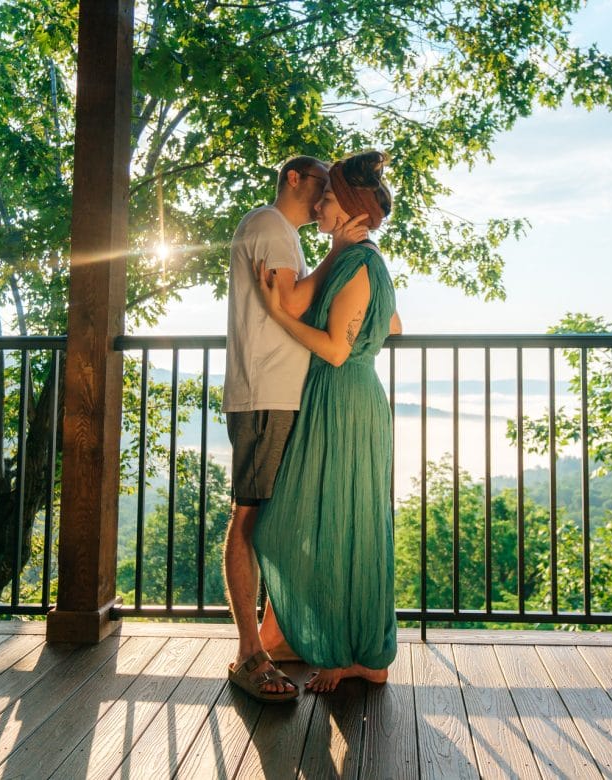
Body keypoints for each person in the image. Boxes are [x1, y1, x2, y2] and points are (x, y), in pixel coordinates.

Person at [254, 150, 402, 693]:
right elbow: (396, 325)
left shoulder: (359, 264)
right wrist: (340, 254)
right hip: (351, 401)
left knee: (330, 521)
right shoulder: (355, 260)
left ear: (353, 211)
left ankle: (342, 654)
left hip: (341, 398)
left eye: (330, 199)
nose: (320, 204)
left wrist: (274, 316)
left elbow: (337, 351)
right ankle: (365, 652)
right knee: (352, 521)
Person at [222, 155, 368, 702]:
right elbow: (289, 302)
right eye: (321, 185)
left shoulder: (279, 233)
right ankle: (247, 655)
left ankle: (274, 639)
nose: (326, 196)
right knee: (250, 519)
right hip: (264, 395)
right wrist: (339, 252)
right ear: (293, 179)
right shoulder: (268, 226)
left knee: (271, 520)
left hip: (277, 394)